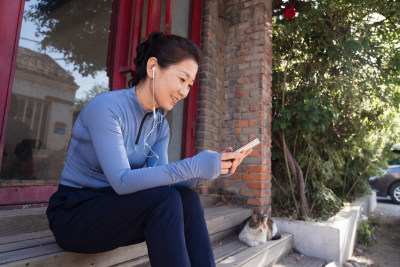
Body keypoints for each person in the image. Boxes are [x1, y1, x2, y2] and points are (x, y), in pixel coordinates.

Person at [46, 31, 252, 267]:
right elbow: (122, 182)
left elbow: (162, 182)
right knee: (164, 201)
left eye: (190, 85)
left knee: (186, 198)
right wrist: (193, 165)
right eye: (182, 79)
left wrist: (209, 171)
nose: (185, 92)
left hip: (115, 209)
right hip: (74, 213)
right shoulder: (105, 108)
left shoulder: (160, 126)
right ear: (153, 67)